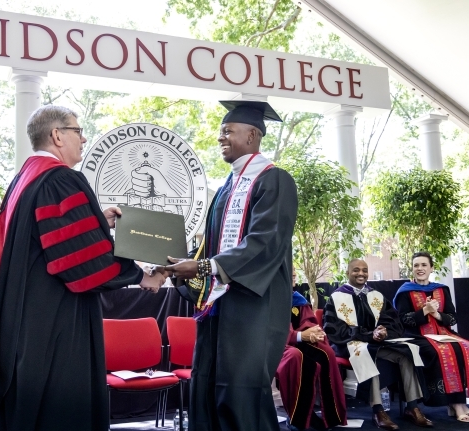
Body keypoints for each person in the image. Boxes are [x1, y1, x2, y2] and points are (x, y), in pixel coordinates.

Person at [0, 104, 166, 431]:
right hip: (55, 321)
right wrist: (142, 274)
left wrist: (95, 223)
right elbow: (80, 262)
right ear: (56, 135)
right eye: (78, 131)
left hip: (23, 320)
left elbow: (58, 238)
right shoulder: (60, 180)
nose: (84, 138)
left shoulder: (26, 178)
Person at [161, 100, 298, 431]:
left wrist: (206, 268)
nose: (220, 138)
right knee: (207, 387)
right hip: (219, 305)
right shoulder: (226, 187)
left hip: (254, 308)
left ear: (252, 135)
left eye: (227, 131)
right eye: (220, 132)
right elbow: (210, 245)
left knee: (240, 394)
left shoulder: (274, 180)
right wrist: (175, 260)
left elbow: (264, 242)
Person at [323, 258, 433, 430]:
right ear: (348, 273)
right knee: (368, 353)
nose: (361, 273)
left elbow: (392, 321)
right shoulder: (336, 297)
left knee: (407, 352)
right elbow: (335, 330)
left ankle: (412, 407)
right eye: (356, 270)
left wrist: (384, 332)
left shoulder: (376, 295)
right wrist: (368, 335)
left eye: (365, 270)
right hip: (350, 344)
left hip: (377, 342)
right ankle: (378, 410)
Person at [394, 251, 469, 422]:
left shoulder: (442, 289)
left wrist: (436, 315)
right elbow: (402, 320)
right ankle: (455, 404)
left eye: (424, 265)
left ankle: (458, 402)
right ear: (412, 269)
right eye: (416, 265)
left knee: (464, 346)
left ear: (431, 268)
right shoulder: (405, 292)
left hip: (443, 333)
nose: (420, 268)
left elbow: (452, 317)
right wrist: (424, 311)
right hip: (417, 336)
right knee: (441, 351)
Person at [275, 269, 347, 431]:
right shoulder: (270, 297)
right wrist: (299, 336)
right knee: (296, 357)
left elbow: (307, 321)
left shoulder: (296, 298)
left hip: (294, 341)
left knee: (325, 353)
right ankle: (296, 418)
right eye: (289, 270)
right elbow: (273, 332)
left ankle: (330, 415)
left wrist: (313, 332)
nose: (293, 274)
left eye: (294, 271)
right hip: (275, 346)